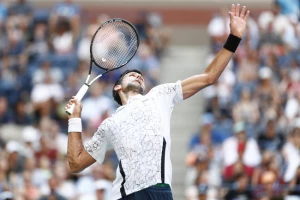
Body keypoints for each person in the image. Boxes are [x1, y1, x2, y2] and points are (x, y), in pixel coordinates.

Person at [65, 4, 250, 200]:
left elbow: (208, 77)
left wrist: (234, 37)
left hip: (159, 191)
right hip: (125, 194)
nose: (137, 75)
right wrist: (74, 119)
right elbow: (76, 163)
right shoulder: (109, 125)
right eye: (130, 75)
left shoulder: (159, 95)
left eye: (139, 75)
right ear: (117, 87)